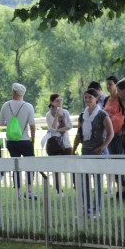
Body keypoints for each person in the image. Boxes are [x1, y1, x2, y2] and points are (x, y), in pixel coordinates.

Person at [72, 88, 114, 217]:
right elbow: (79, 134)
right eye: (85, 97)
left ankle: (97, 210)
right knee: (84, 182)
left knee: (98, 182)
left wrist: (102, 147)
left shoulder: (102, 114)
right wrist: (73, 150)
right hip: (85, 151)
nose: (87, 100)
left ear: (96, 98)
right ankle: (87, 209)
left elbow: (110, 133)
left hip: (98, 152)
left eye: (90, 97)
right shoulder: (82, 115)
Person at [0, 82, 37, 199]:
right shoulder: (28, 106)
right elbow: (32, 125)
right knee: (30, 165)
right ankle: (29, 190)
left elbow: (0, 122)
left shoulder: (6, 105)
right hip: (25, 140)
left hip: (11, 141)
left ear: (13, 92)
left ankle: (18, 192)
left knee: (15, 165)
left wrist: (11, 124)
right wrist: (33, 140)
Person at [43, 93, 73, 195]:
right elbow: (53, 127)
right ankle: (59, 189)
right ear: (52, 102)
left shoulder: (66, 112)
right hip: (55, 143)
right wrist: (56, 116)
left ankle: (75, 184)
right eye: (57, 100)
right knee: (56, 168)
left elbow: (69, 126)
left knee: (71, 163)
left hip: (66, 142)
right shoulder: (49, 115)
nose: (59, 102)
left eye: (60, 100)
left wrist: (57, 130)